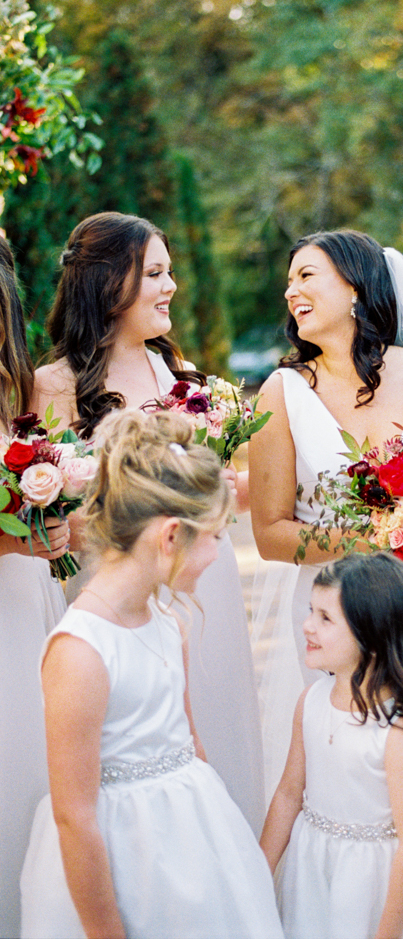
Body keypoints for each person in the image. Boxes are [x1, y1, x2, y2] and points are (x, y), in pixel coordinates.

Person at [249, 229, 403, 937]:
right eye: (289, 282)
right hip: (331, 618)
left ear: (355, 287)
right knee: (336, 765)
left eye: (306, 276)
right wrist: (377, 536)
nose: (291, 293)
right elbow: (270, 533)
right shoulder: (282, 392)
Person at [30, 212, 264, 833]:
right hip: (109, 595)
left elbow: (212, 490)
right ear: (110, 285)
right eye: (155, 273)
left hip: (198, 587)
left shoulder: (182, 380)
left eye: (169, 272)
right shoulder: (52, 387)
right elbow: (43, 509)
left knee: (210, 719)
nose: (172, 287)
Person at [20, 410, 284, 939]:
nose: (216, 554)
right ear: (169, 536)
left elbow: (191, 744)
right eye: (213, 537)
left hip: (194, 838)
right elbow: (75, 817)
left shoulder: (168, 620)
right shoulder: (81, 651)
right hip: (124, 861)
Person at [261, 552, 403, 939]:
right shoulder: (311, 702)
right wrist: (257, 874)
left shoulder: (398, 730)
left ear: (372, 635)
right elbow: (288, 795)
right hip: (315, 872)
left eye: (325, 618)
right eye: (310, 611)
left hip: (375, 889)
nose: (307, 626)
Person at [0, 236, 70, 939]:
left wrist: (47, 522)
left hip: (24, 598)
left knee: (31, 765)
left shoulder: (13, 386)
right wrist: (16, 538)